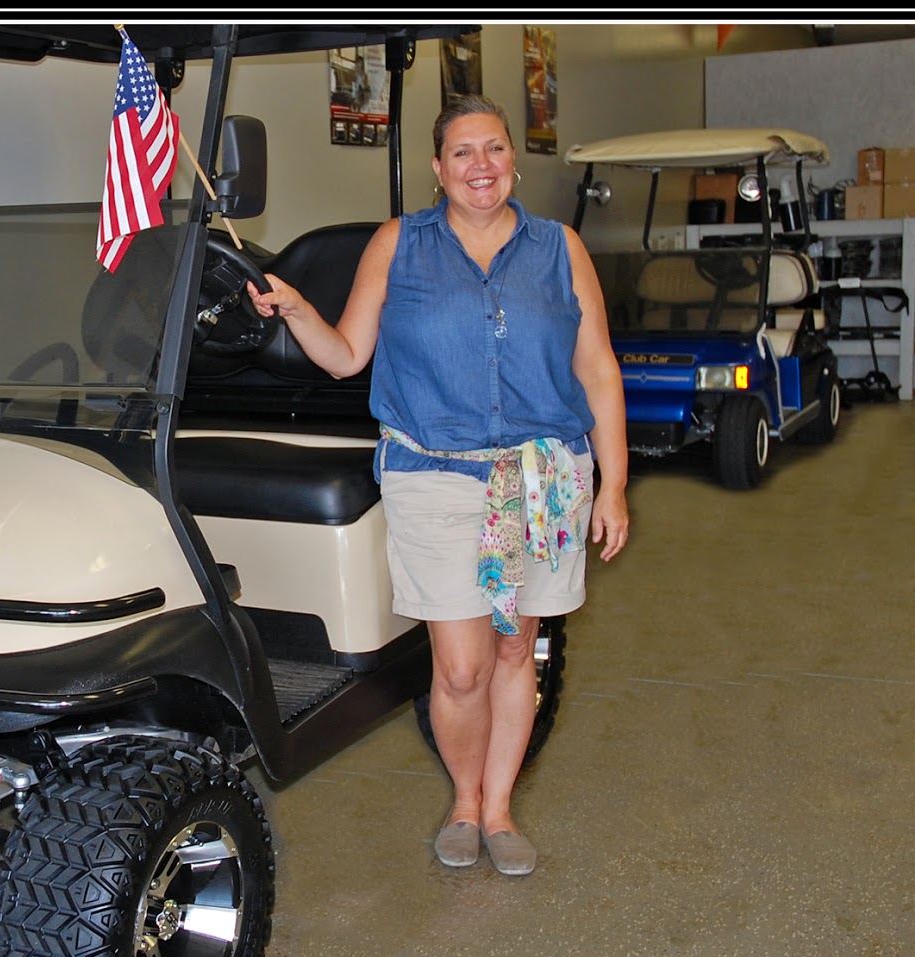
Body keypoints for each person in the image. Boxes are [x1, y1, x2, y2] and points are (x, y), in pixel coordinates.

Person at [246, 94, 628, 876]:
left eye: (493, 149)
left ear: (514, 159)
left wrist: (615, 485)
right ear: (437, 168)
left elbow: (597, 370)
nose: (480, 166)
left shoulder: (559, 248)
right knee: (461, 666)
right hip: (436, 476)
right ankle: (463, 799)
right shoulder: (400, 244)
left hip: (542, 476)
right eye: (462, 153)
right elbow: (348, 354)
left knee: (518, 648)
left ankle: (498, 810)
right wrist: (295, 309)